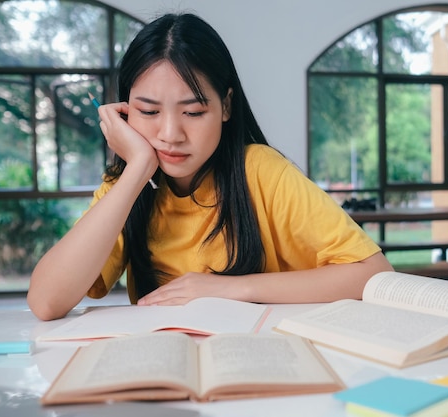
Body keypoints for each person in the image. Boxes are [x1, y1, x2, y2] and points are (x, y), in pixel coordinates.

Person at [27, 13, 393, 321]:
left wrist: (232, 289)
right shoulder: (126, 187)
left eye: (194, 112)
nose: (170, 134)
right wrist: (137, 168)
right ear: (124, 111)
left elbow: (375, 275)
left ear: (226, 107)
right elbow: (46, 302)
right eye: (149, 112)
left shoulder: (260, 171)